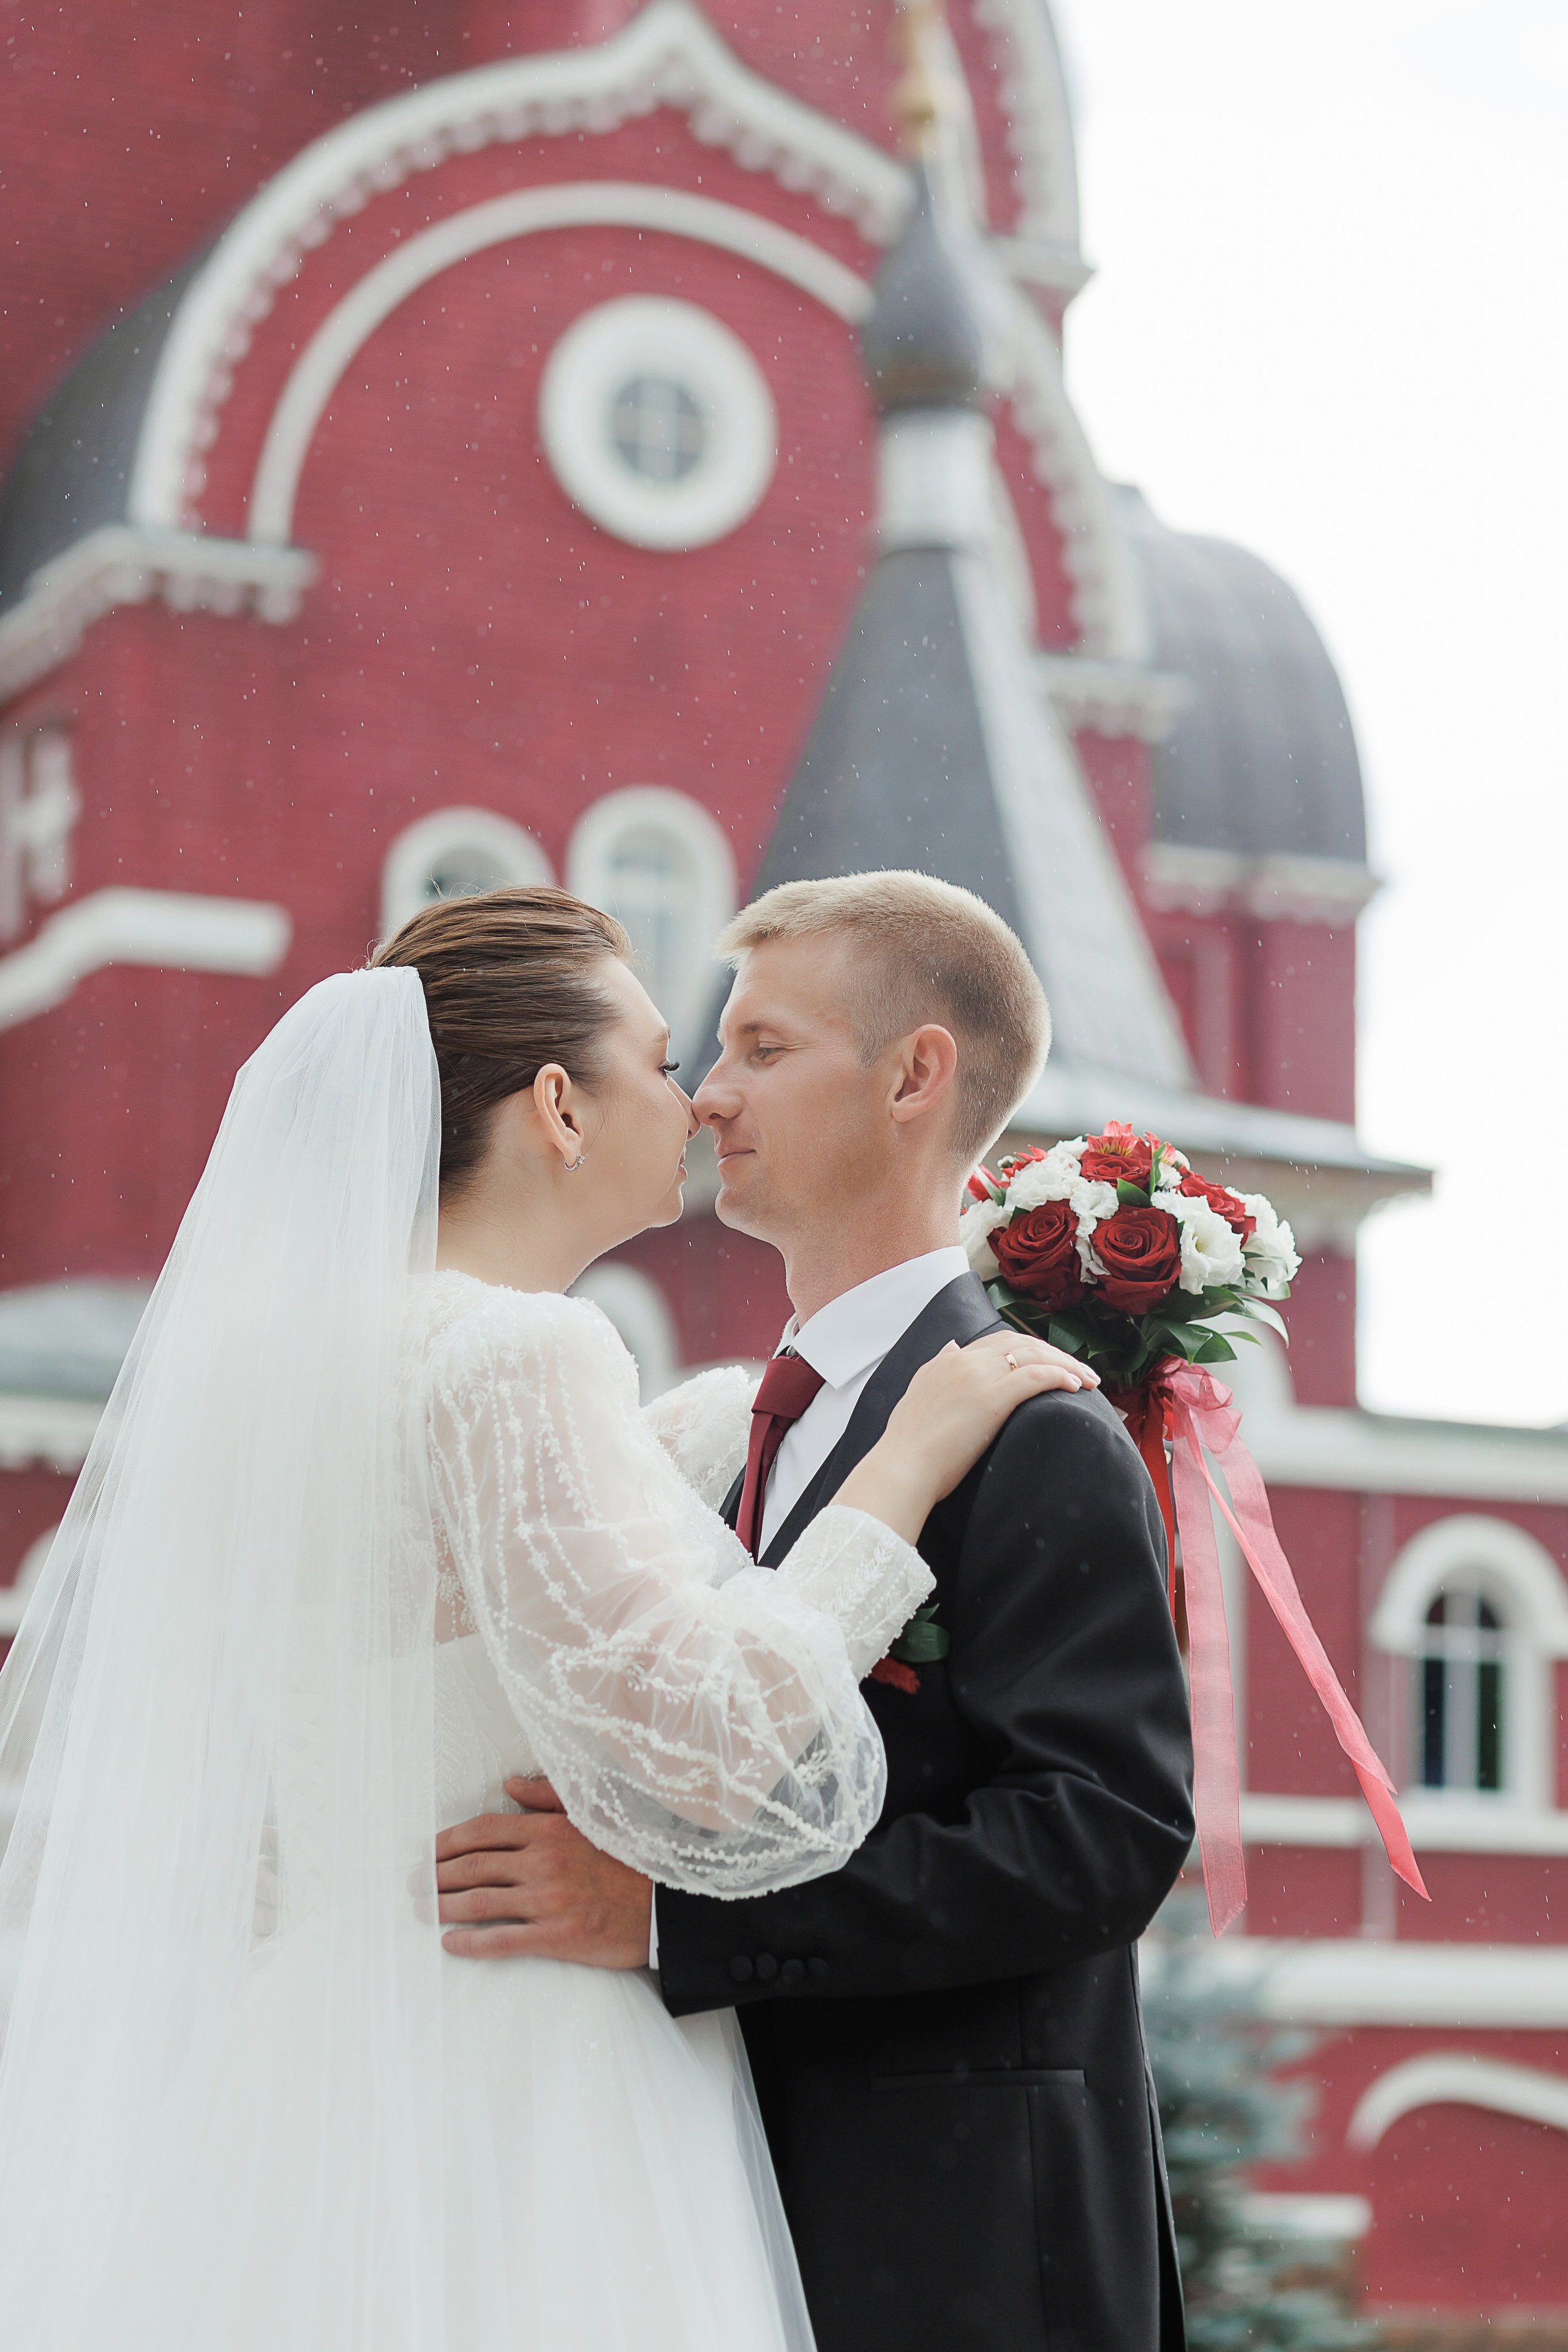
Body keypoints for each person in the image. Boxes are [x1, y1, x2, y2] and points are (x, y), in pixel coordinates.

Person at [0, 884, 1084, 2352]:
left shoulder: (287, 1373)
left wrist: (734, 1420)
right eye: (657, 1058)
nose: (698, 1100)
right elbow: (705, 1750)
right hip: (513, 2061)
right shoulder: (516, 1354)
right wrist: (895, 1470)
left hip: (306, 2056)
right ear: (559, 1106)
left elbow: (471, 1611)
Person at [437, 870, 1197, 2352]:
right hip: (706, 2216)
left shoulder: (1032, 1432)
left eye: (763, 1050)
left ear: (915, 1074)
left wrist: (670, 1925)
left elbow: (1097, 1841)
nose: (708, 1096)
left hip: (955, 2244)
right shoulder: (717, 1440)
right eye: (711, 1054)